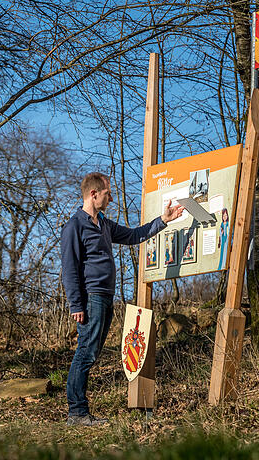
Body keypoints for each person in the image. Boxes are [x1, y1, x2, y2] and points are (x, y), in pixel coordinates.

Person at [61, 172, 183, 426]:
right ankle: (77, 412)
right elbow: (70, 268)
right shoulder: (75, 225)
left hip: (106, 296)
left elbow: (133, 236)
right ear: (93, 194)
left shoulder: (104, 224)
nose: (111, 198)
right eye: (107, 194)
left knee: (91, 352)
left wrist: (164, 220)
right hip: (90, 297)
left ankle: (78, 411)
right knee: (86, 351)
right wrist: (76, 304)